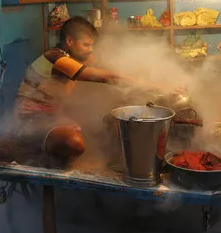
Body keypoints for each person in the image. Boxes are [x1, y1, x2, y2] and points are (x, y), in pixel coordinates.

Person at [10, 16, 184, 160]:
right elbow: (110, 77)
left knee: (99, 125)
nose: (90, 50)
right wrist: (161, 87)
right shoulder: (55, 57)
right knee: (75, 142)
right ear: (70, 41)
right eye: (86, 45)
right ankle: (26, 144)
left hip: (50, 114)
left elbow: (63, 92)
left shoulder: (67, 59)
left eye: (92, 45)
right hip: (30, 119)